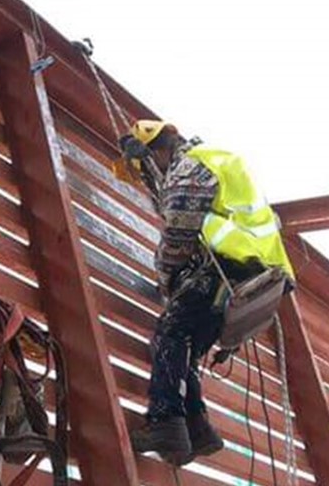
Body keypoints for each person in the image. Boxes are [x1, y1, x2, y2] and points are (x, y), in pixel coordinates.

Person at [120, 120, 295, 465]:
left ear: (157, 151)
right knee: (187, 344)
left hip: (229, 268)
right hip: (255, 273)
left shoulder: (188, 170)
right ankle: (197, 427)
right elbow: (185, 206)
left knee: (170, 333)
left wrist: (167, 279)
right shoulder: (212, 160)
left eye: (147, 166)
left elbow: (179, 237)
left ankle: (166, 421)